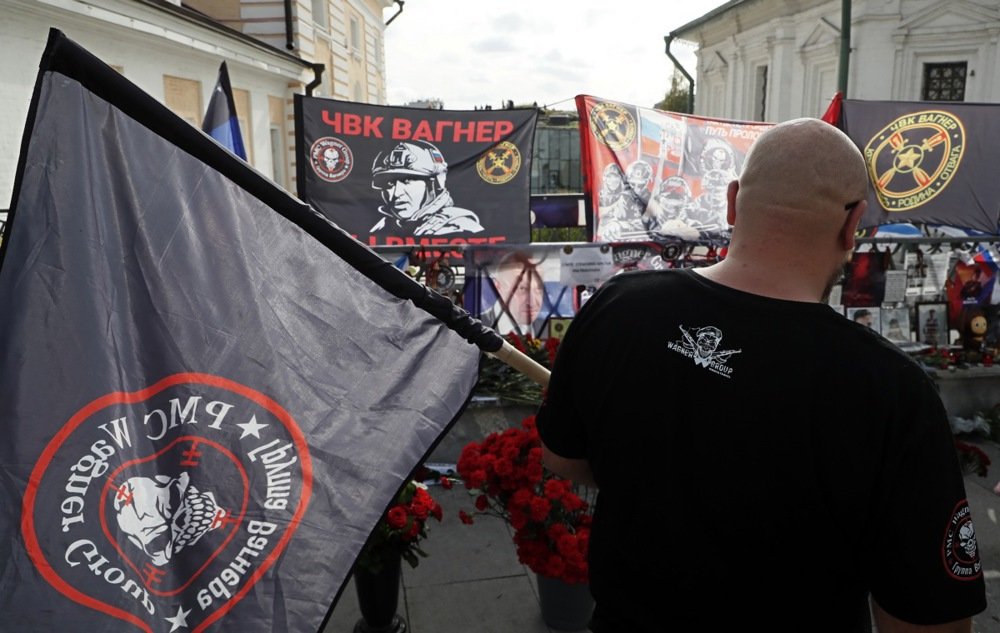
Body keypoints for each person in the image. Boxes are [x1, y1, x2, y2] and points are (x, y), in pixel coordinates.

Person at [535, 118, 986, 632]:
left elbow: (560, 456)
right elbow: (927, 622)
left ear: (731, 203)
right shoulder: (889, 389)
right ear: (852, 223)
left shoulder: (619, 307)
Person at [369, 140, 483, 236]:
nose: (396, 193)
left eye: (407, 181)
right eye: (389, 184)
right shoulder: (381, 229)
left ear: (435, 184)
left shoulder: (460, 228)